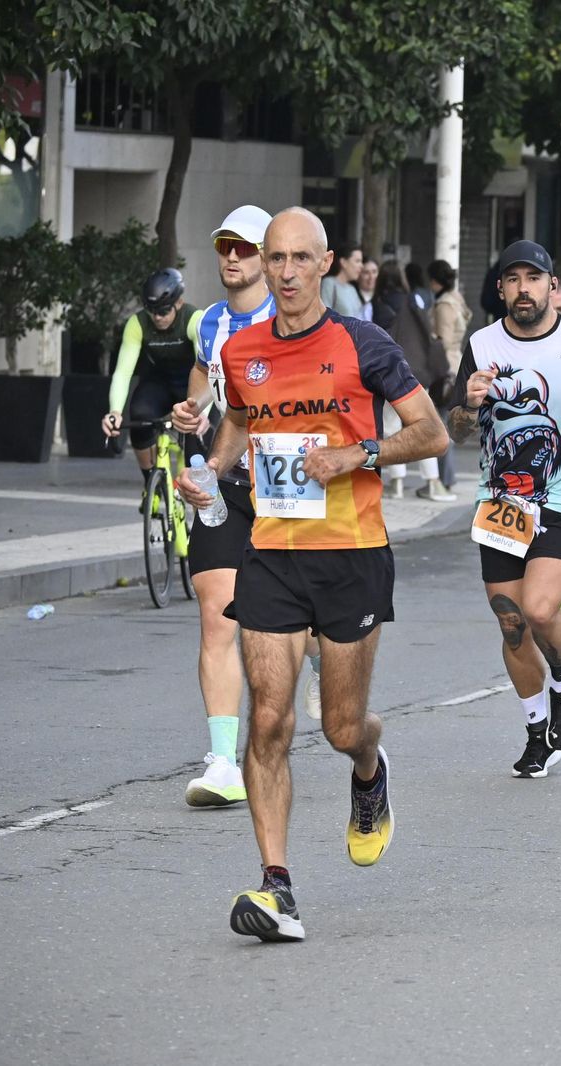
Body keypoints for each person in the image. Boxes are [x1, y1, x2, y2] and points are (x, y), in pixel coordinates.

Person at [177, 207, 449, 943]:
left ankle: (369, 766)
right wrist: (211, 471)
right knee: (268, 718)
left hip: (352, 552)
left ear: (325, 265)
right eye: (277, 259)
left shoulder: (364, 343)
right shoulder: (243, 352)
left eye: (301, 259)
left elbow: (433, 431)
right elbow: (239, 424)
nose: (288, 272)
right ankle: (277, 887)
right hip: (270, 551)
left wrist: (355, 457)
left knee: (338, 726)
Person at [446, 241, 561, 778]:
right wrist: (470, 406)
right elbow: (457, 429)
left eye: (534, 278)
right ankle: (535, 731)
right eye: (512, 279)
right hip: (500, 501)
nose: (523, 288)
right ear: (500, 288)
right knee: (511, 621)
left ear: (553, 286)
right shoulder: (481, 345)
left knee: (542, 610)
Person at [166, 205, 276, 807]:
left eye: (245, 248)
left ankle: (321, 665)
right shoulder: (207, 322)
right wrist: (193, 411)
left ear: (268, 258)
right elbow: (203, 378)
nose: (233, 258)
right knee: (218, 613)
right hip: (220, 481)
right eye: (225, 247)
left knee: (296, 622)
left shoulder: (289, 320)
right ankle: (223, 763)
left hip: (282, 487)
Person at [102, 268, 200, 501]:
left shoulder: (194, 319)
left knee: (199, 438)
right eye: (152, 311)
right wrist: (115, 412)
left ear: (179, 302)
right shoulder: (137, 324)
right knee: (140, 415)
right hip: (160, 383)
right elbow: (123, 373)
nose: (158, 317)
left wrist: (201, 413)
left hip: (193, 384)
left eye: (164, 311)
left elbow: (205, 371)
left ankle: (199, 509)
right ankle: (151, 481)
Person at [374, 261, 453, 501]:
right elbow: (428, 332)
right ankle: (433, 482)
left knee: (390, 426)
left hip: (387, 372)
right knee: (423, 424)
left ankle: (396, 483)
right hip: (417, 371)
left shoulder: (376, 306)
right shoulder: (413, 300)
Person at [428, 259, 472, 489]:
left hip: (444, 369)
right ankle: (445, 477)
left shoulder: (444, 304)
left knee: (440, 426)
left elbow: (442, 341)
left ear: (435, 281)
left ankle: (444, 478)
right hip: (456, 365)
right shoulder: (457, 298)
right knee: (445, 424)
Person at [321, 243, 365, 318]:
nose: (361, 266)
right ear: (343, 262)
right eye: (357, 261)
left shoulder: (352, 289)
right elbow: (324, 316)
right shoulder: (329, 284)